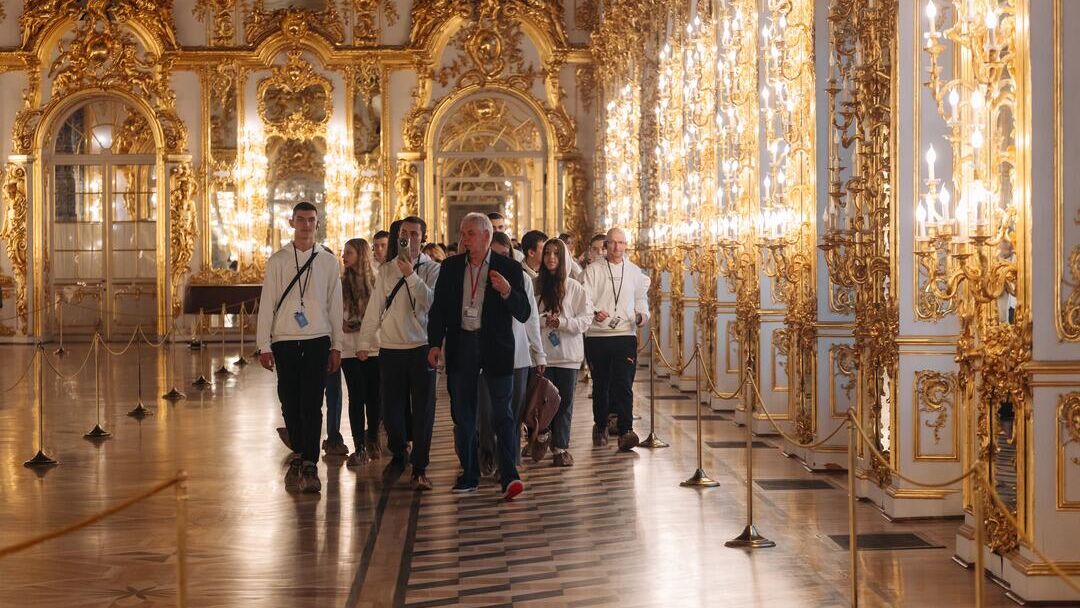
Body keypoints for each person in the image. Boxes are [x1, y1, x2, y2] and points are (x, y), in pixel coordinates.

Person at [428, 213, 532, 500]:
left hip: (496, 348)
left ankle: (509, 475)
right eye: (462, 234)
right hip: (463, 346)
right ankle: (470, 474)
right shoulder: (449, 268)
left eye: (470, 234)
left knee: (503, 415)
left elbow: (523, 312)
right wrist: (435, 344)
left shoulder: (509, 268)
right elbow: (437, 310)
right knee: (465, 415)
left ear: (486, 237)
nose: (464, 239)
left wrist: (507, 291)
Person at [257, 201, 343, 493]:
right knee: (289, 401)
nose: (306, 225)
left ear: (317, 224)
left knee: (312, 402)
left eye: (311, 220)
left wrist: (337, 346)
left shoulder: (329, 262)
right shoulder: (278, 260)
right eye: (301, 219)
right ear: (291, 222)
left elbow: (335, 306)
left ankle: (309, 460)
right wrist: (263, 345)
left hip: (318, 337)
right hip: (284, 339)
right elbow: (267, 304)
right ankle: (298, 450)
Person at [357, 216, 440, 490]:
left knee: (424, 410)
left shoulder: (432, 269)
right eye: (405, 233)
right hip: (390, 347)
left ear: (423, 238)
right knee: (390, 409)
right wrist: (364, 341)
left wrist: (411, 275)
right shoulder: (386, 270)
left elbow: (430, 303)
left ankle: (420, 466)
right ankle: (399, 452)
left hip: (421, 348)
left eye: (415, 234)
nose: (409, 238)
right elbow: (375, 307)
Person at [478, 232, 545, 474]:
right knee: (485, 414)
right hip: (485, 358)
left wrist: (539, 354)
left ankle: (511, 460)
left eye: (504, 255)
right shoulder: (477, 278)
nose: (500, 260)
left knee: (513, 414)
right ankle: (487, 454)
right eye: (494, 255)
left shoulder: (521, 278)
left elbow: (531, 319)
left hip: (517, 357)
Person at [582, 227, 650, 452]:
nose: (616, 247)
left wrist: (641, 316)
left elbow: (641, 300)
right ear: (605, 246)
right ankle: (600, 426)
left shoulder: (634, 271)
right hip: (598, 335)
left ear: (626, 245)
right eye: (612, 243)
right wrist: (594, 312)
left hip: (625, 334)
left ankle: (625, 431)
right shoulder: (593, 270)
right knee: (601, 384)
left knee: (624, 384)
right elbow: (585, 299)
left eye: (621, 243)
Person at [535, 238, 593, 466]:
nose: (551, 258)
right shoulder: (534, 285)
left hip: (568, 355)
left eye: (556, 254)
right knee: (542, 401)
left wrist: (563, 323)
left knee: (565, 402)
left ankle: (560, 448)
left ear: (563, 258)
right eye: (547, 253)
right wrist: (544, 320)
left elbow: (585, 319)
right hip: (543, 354)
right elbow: (528, 317)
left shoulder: (575, 288)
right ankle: (541, 434)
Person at [339, 238, 381, 467]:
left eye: (349, 253)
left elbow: (379, 315)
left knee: (374, 396)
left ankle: (372, 436)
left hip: (374, 347)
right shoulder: (340, 283)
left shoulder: (375, 281)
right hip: (349, 349)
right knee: (356, 397)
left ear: (361, 255)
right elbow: (338, 315)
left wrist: (359, 326)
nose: (344, 257)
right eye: (344, 252)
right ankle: (359, 446)